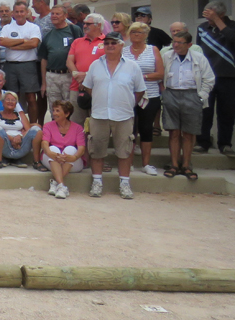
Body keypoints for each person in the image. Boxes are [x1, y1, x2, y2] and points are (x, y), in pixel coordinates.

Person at [81, 31, 147, 199]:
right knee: (96, 150)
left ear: (121, 45)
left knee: (124, 151)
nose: (110, 46)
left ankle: (124, 184)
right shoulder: (95, 65)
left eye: (113, 43)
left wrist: (128, 103)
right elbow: (88, 87)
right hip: (99, 114)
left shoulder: (132, 66)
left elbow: (140, 90)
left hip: (123, 115)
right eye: (107, 43)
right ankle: (97, 182)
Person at [160, 30, 215, 180]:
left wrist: (201, 96)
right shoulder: (166, 56)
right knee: (174, 132)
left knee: (189, 133)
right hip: (171, 93)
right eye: (174, 42)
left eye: (180, 42)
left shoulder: (199, 58)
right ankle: (174, 164)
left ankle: (186, 165)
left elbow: (209, 78)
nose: (176, 45)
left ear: (189, 45)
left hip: (192, 94)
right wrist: (164, 93)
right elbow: (160, 75)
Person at [196, 1, 235, 156]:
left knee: (227, 113)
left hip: (227, 76)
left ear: (222, 14)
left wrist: (217, 20)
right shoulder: (202, 28)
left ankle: (225, 144)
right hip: (206, 77)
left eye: (212, 15)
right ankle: (203, 142)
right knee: (205, 112)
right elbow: (198, 50)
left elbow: (232, 37)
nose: (208, 19)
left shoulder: (233, 25)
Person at [122, 22, 164, 175]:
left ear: (146, 34)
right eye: (133, 32)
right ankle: (129, 163)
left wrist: (141, 77)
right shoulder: (123, 51)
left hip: (150, 95)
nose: (136, 35)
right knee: (129, 130)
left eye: (139, 32)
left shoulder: (153, 50)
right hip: (128, 95)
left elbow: (160, 73)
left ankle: (146, 164)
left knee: (146, 128)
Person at [0, 1, 42, 123]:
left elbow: (33, 44)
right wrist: (23, 40)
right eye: (16, 12)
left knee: (31, 97)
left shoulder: (33, 27)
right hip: (10, 66)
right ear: (13, 13)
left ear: (27, 12)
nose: (19, 14)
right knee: (11, 98)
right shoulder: (7, 28)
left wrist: (12, 44)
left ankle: (33, 124)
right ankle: (14, 123)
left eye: (22, 11)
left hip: (28, 65)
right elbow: (2, 42)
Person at [40, 100, 87, 199]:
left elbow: (81, 148)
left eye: (57, 111)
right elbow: (44, 143)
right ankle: (61, 186)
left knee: (70, 149)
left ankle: (56, 183)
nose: (54, 113)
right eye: (53, 110)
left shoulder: (78, 128)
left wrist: (74, 157)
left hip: (71, 162)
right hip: (53, 159)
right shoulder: (48, 126)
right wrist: (49, 153)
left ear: (67, 114)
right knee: (52, 148)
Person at [67, 13, 107, 125]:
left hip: (98, 88)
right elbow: (69, 61)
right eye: (84, 23)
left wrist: (86, 76)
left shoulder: (107, 42)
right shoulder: (77, 41)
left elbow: (108, 65)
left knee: (96, 123)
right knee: (76, 123)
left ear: (99, 25)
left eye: (88, 24)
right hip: (77, 87)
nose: (84, 26)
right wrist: (77, 76)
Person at [38, 5, 82, 108]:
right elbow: (44, 60)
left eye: (57, 14)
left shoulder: (74, 30)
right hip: (52, 76)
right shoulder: (48, 35)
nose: (54, 16)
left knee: (70, 107)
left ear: (65, 15)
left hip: (69, 75)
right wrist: (44, 83)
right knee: (54, 108)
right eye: (52, 14)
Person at [0, 92, 42, 171]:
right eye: (8, 99)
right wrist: (12, 139)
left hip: (20, 145)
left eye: (13, 100)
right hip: (4, 146)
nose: (10, 102)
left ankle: (37, 162)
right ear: (2, 102)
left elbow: (28, 130)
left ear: (16, 104)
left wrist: (19, 136)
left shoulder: (20, 115)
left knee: (36, 129)